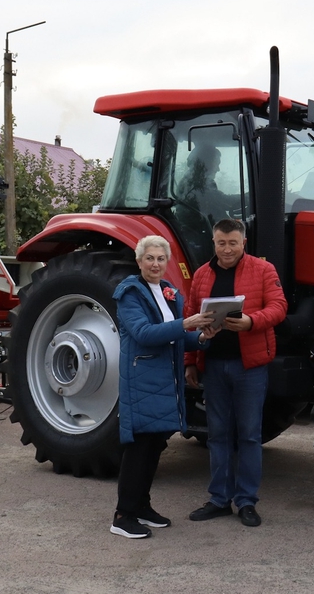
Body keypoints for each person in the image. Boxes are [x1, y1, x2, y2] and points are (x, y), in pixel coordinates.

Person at [184, 218, 288, 527]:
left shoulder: (263, 270)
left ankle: (246, 501)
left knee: (249, 436)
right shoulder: (202, 275)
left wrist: (251, 322)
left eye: (232, 243)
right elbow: (190, 317)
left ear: (243, 243)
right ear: (213, 243)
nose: (226, 249)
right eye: (220, 243)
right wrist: (190, 359)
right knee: (217, 435)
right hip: (214, 365)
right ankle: (218, 499)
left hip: (250, 366)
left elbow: (279, 307)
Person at [111, 235, 215, 539]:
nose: (155, 264)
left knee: (155, 444)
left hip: (164, 381)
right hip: (142, 379)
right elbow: (144, 333)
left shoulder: (169, 293)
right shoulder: (130, 293)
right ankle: (122, 515)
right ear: (139, 261)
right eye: (149, 258)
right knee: (139, 448)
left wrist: (202, 338)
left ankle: (142, 506)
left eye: (160, 259)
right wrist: (186, 325)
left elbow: (177, 337)